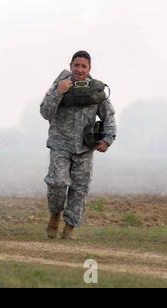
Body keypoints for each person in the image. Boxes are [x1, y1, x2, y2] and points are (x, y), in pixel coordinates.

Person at [40, 50, 117, 240]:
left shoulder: (95, 90)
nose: (80, 69)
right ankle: (55, 215)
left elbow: (109, 116)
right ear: (70, 66)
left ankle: (69, 228)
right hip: (60, 144)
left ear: (89, 68)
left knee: (79, 189)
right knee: (57, 182)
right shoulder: (58, 86)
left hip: (85, 147)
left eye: (84, 66)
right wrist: (59, 92)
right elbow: (45, 112)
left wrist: (108, 139)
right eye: (76, 65)